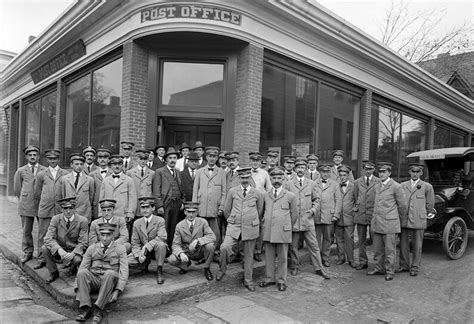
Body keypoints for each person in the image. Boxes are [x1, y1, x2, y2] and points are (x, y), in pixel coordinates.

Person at [217, 167, 264, 291]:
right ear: (239, 178)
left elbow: (259, 211)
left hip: (250, 227)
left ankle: (248, 281)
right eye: (242, 178)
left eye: (247, 177)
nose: (245, 180)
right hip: (234, 226)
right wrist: (234, 219)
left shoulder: (257, 193)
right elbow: (227, 210)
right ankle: (222, 269)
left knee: (248, 255)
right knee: (224, 247)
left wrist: (250, 219)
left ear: (250, 178)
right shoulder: (232, 191)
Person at [284, 159, 329, 279]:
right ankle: (294, 266)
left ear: (305, 169)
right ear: (295, 169)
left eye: (302, 167)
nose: (300, 170)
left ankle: (319, 268)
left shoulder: (311, 184)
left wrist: (314, 210)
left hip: (307, 220)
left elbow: (317, 200)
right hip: (294, 221)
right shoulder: (288, 184)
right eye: (298, 167)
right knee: (293, 247)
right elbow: (285, 201)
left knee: (314, 246)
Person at [75, 222, 129, 323]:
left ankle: (98, 310)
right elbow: (83, 267)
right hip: (95, 280)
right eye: (102, 235)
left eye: (108, 235)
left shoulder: (120, 248)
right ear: (99, 235)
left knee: (109, 273)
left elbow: (124, 271)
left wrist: (118, 290)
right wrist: (78, 288)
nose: (104, 238)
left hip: (110, 281)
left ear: (112, 235)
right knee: (82, 272)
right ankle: (86, 309)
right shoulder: (92, 248)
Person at [259, 167, 298, 292]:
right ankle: (269, 278)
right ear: (270, 179)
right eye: (274, 178)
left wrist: (286, 226)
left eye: (279, 178)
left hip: (283, 231)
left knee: (282, 257)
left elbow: (294, 215)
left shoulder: (290, 196)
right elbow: (261, 212)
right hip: (269, 231)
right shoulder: (265, 195)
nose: (276, 180)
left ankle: (282, 280)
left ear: (284, 179)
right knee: (269, 256)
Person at [367, 162, 407, 281]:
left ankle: (390, 271)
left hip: (390, 223)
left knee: (390, 250)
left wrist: (397, 219)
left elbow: (403, 206)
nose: (382, 174)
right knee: (377, 248)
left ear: (389, 173)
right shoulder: (377, 186)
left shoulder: (396, 186)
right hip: (378, 222)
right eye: (380, 172)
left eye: (384, 172)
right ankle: (379, 268)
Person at [33, 149, 69, 269]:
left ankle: (56, 256)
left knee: (59, 234)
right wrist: (41, 206)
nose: (53, 161)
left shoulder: (64, 174)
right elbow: (37, 194)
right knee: (43, 234)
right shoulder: (41, 174)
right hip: (45, 209)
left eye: (55, 159)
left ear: (58, 159)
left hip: (59, 209)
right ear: (47, 160)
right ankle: (41, 258)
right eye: (50, 159)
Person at [399, 163, 435, 276]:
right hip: (404, 218)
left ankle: (415, 267)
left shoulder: (427, 186)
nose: (415, 174)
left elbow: (430, 204)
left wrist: (426, 215)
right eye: (413, 171)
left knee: (417, 245)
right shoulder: (402, 185)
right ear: (409, 172)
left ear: (421, 173)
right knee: (403, 244)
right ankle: (404, 265)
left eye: (417, 172)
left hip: (418, 219)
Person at [42, 197, 89, 283]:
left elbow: (83, 242)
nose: (68, 211)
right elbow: (48, 238)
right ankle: (54, 272)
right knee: (45, 248)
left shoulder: (83, 221)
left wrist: (74, 253)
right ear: (61, 209)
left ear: (75, 209)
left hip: (74, 250)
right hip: (60, 248)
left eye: (71, 208)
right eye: (65, 208)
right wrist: (59, 249)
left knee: (77, 259)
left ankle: (72, 269)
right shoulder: (55, 219)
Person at [168, 201, 216, 280]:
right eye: (188, 212)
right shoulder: (179, 225)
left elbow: (212, 236)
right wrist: (181, 254)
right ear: (185, 212)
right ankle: (185, 265)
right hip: (187, 252)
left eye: (193, 212)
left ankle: (207, 268)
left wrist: (198, 241)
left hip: (199, 251)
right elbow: (175, 244)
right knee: (171, 259)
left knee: (210, 246)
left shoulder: (203, 222)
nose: (191, 215)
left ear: (197, 212)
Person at [192, 146, 227, 253]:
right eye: (210, 156)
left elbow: (224, 192)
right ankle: (201, 254)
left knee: (215, 233)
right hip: (202, 207)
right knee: (201, 232)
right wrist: (194, 207)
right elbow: (195, 190)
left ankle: (214, 253)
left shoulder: (221, 172)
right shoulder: (200, 171)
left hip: (214, 209)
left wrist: (221, 207)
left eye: (214, 156)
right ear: (206, 157)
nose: (212, 159)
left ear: (217, 158)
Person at [128, 197, 167, 284]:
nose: (145, 210)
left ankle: (159, 269)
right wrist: (138, 255)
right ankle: (144, 264)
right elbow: (135, 243)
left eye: (147, 207)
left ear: (153, 208)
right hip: (143, 252)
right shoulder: (137, 223)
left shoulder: (160, 220)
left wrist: (147, 246)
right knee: (127, 262)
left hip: (156, 250)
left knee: (161, 245)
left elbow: (161, 237)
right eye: (142, 207)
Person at [153, 147, 184, 250]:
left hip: (176, 204)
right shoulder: (160, 171)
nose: (172, 160)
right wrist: (159, 205)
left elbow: (180, 188)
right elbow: (156, 189)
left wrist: (182, 202)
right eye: (170, 158)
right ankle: (162, 249)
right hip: (165, 203)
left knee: (174, 227)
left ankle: (171, 248)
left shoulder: (178, 172)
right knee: (164, 227)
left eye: (174, 158)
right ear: (166, 160)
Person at [100, 155, 137, 236]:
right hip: (108, 214)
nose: (117, 166)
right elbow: (101, 199)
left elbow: (132, 198)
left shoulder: (128, 180)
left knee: (123, 236)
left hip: (123, 215)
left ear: (122, 165)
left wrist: (130, 213)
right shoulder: (106, 181)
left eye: (119, 164)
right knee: (109, 236)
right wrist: (100, 214)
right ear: (111, 166)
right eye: (114, 164)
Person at [353, 160, 380, 270]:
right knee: (361, 240)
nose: (368, 171)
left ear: (374, 169)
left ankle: (377, 263)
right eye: (366, 169)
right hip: (361, 214)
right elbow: (355, 197)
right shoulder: (357, 182)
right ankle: (363, 261)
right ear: (363, 169)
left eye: (370, 169)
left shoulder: (378, 181)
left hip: (373, 214)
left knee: (376, 239)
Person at [314, 163, 342, 267]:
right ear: (319, 172)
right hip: (317, 216)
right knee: (315, 239)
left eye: (327, 172)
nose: (325, 174)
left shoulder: (334, 184)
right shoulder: (313, 183)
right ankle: (316, 259)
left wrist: (336, 215)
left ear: (330, 173)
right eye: (323, 172)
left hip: (329, 216)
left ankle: (325, 258)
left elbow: (338, 200)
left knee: (327, 239)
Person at [248, 151, 271, 262]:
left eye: (257, 161)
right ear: (250, 161)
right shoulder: (246, 172)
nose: (255, 163)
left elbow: (269, 189)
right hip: (248, 202)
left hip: (261, 201)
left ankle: (258, 250)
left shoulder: (265, 173)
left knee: (260, 226)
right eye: (253, 160)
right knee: (249, 225)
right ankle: (247, 251)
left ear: (260, 162)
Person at [59, 153, 95, 223]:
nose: (79, 166)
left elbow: (91, 197)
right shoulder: (65, 179)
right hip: (69, 213)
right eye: (77, 164)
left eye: (81, 164)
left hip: (84, 213)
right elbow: (63, 195)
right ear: (71, 165)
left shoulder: (89, 180)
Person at [334, 165, 357, 268]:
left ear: (348, 176)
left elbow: (358, 200)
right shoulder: (335, 186)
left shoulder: (353, 186)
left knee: (349, 238)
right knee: (339, 239)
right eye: (341, 175)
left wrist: (354, 210)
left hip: (349, 217)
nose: (342, 177)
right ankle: (341, 257)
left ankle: (351, 259)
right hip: (338, 217)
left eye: (344, 175)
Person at [126, 149, 155, 222]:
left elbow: (154, 190)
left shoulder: (152, 173)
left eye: (145, 159)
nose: (143, 161)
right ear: (137, 159)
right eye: (141, 159)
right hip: (135, 207)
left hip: (147, 206)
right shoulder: (130, 173)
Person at [89, 148, 112, 220]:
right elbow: (90, 193)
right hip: (96, 206)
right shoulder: (92, 174)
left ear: (109, 160)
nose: (102, 159)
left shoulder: (113, 173)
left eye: (105, 157)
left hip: (111, 205)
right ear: (97, 159)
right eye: (100, 157)